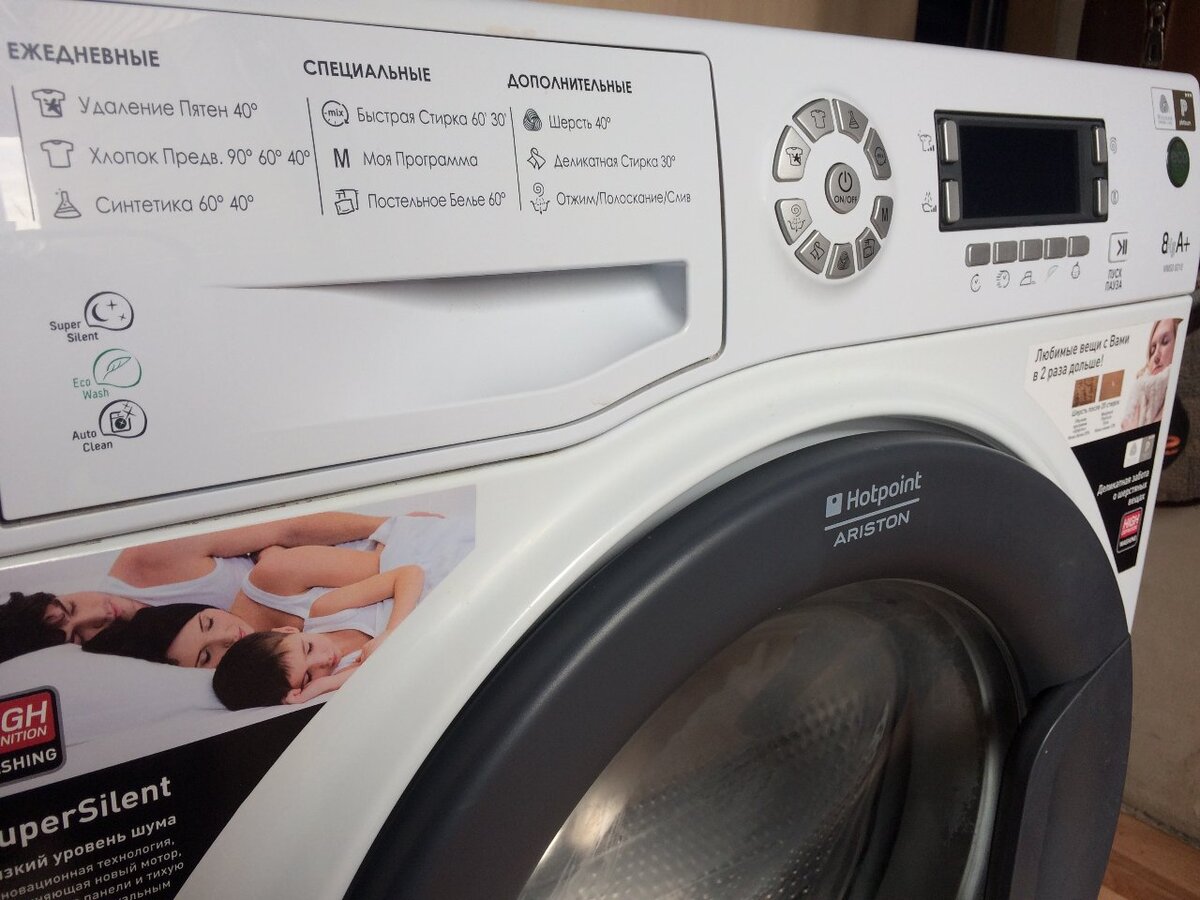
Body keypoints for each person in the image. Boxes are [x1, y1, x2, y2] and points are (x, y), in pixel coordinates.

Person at [0, 512, 388, 663]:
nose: (98, 614)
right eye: (80, 635)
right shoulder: (150, 662)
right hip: (354, 622)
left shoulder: (146, 560)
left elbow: (285, 527)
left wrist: (388, 527)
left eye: (70, 608)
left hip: (362, 561)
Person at [1121, 318, 1182, 430]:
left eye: (1165, 342)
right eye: (1152, 350)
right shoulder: (1138, 393)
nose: (1156, 356)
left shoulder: (1176, 408)